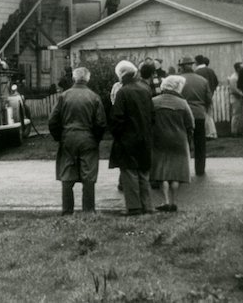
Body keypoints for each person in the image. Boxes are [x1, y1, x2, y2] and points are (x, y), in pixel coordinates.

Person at [48, 67, 106, 215]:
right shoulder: (94, 97)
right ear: (88, 79)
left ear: (74, 78)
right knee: (88, 175)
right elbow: (100, 123)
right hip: (88, 138)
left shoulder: (64, 96)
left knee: (67, 174)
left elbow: (53, 120)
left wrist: (59, 137)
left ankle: (67, 211)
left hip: (68, 137)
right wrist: (95, 139)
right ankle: (88, 211)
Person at [109, 60, 154, 216]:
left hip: (128, 138)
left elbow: (118, 118)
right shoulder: (146, 89)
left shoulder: (123, 91)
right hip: (145, 137)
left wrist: (117, 135)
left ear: (121, 75)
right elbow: (152, 115)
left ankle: (134, 207)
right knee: (143, 173)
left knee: (130, 173)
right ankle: (147, 206)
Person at [150, 76, 194, 212]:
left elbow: (149, 121)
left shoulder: (154, 102)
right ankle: (174, 202)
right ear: (177, 87)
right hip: (179, 140)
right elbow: (190, 124)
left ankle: (166, 201)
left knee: (162, 171)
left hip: (159, 139)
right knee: (176, 172)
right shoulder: (182, 103)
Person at [178, 56, 212, 176]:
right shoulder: (202, 80)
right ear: (192, 65)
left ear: (181, 67)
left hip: (182, 115)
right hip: (199, 114)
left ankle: (182, 170)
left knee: (183, 143)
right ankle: (200, 169)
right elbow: (208, 99)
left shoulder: (178, 80)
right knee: (200, 143)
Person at [193, 56, 219, 139]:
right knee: (209, 114)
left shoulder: (197, 72)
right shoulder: (211, 70)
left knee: (204, 115)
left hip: (201, 96)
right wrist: (212, 90)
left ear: (196, 62)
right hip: (210, 94)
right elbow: (216, 82)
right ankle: (213, 133)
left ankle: (209, 133)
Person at [228, 63, 243, 137]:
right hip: (235, 97)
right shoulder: (234, 77)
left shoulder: (238, 76)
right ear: (238, 68)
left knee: (240, 115)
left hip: (239, 97)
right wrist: (242, 94)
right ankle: (234, 131)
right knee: (236, 115)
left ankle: (239, 130)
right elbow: (234, 89)